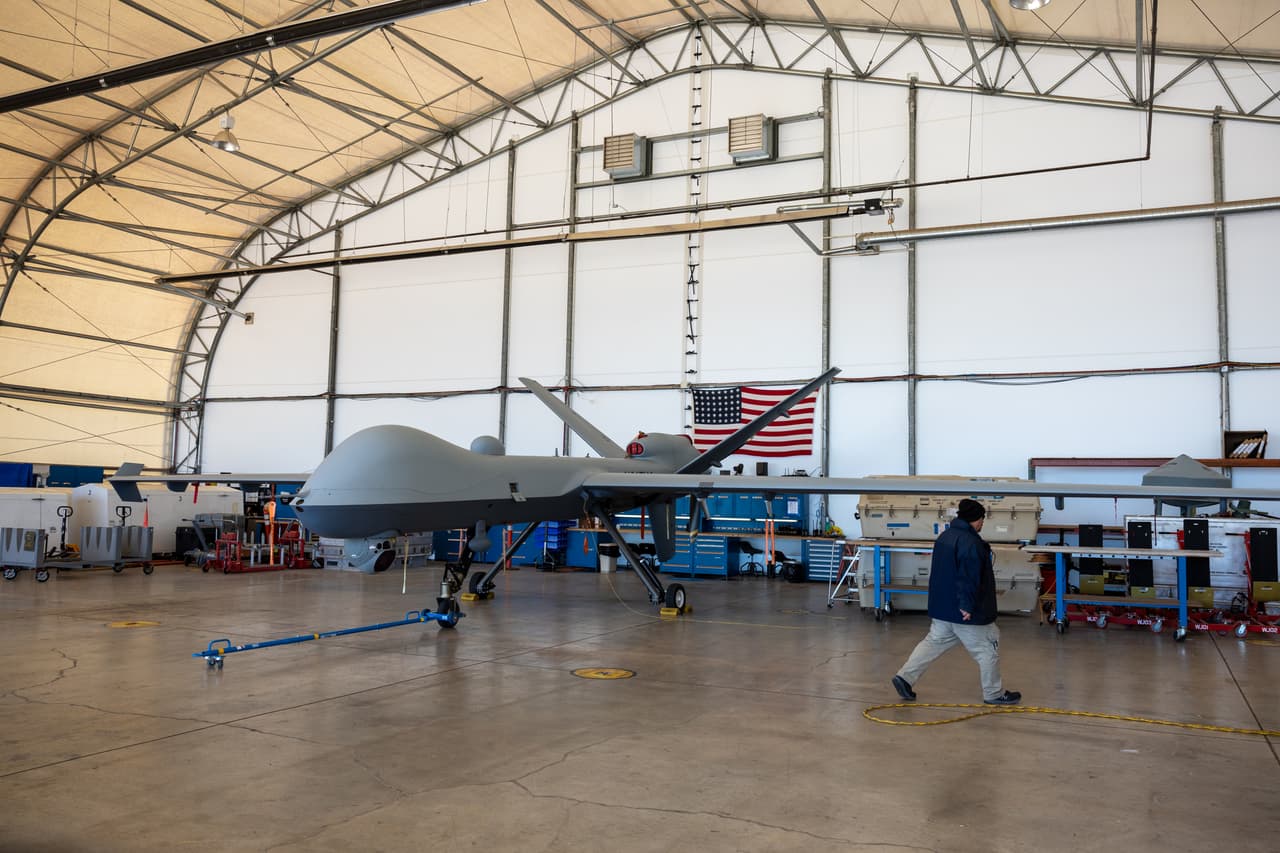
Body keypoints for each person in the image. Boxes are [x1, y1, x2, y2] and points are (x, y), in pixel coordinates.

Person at [891, 498, 1021, 706]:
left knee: (933, 643)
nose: (982, 523)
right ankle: (993, 693)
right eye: (981, 519)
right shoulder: (971, 543)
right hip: (965, 611)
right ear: (974, 519)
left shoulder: (945, 536)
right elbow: (967, 577)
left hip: (943, 608)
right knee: (987, 648)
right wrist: (967, 606)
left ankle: (905, 677)